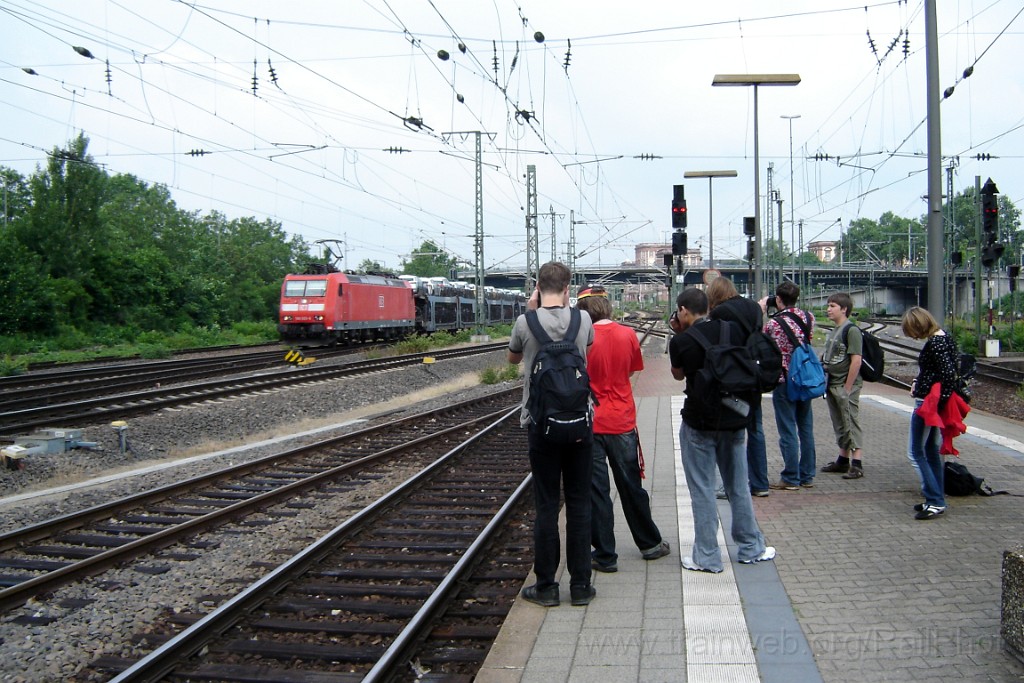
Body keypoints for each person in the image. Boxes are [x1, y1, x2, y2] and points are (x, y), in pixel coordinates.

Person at [668, 287, 776, 572]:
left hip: (699, 422)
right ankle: (751, 547)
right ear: (708, 307)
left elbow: (678, 374)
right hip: (734, 418)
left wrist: (678, 334)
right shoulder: (732, 330)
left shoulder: (682, 341)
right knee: (738, 486)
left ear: (682, 310)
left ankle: (707, 556)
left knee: (703, 489)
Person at [508, 261, 596, 607]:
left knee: (546, 504)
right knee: (578, 502)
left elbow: (512, 360)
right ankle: (581, 586)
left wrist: (532, 312)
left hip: (540, 425)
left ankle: (545, 586)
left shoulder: (524, 322)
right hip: (580, 423)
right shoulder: (583, 319)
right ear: (568, 287)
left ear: (537, 287)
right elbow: (587, 347)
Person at [576, 286, 669, 574]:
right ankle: (650, 544)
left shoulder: (581, 339)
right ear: (606, 305)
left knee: (597, 491)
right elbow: (630, 370)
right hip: (621, 420)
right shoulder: (627, 334)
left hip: (590, 420)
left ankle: (605, 555)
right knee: (631, 485)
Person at [706, 276, 769, 498]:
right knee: (756, 427)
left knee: (731, 432)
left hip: (734, 375)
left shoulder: (720, 313)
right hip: (755, 372)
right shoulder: (753, 307)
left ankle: (729, 484)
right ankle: (761, 483)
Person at [901, 306, 960, 520]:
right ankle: (935, 497)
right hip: (930, 401)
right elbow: (941, 372)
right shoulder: (944, 338)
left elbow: (946, 375)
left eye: (912, 330)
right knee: (930, 450)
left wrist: (936, 403)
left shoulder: (935, 344)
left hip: (927, 404)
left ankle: (934, 499)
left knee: (915, 452)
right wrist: (918, 382)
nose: (914, 336)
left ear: (919, 325)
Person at [760, 281, 818, 490]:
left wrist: (763, 310)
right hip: (805, 379)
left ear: (778, 299)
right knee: (806, 428)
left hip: (784, 380)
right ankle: (808, 475)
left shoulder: (774, 324)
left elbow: (763, 341)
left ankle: (791, 477)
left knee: (787, 430)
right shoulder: (809, 318)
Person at [820, 292, 865, 479]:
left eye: (832, 306)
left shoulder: (851, 330)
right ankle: (842, 459)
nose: (828, 309)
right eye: (828, 305)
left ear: (844, 309)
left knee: (850, 421)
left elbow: (856, 361)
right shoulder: (834, 330)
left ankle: (857, 463)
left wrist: (848, 387)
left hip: (845, 385)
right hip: (832, 383)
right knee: (839, 422)